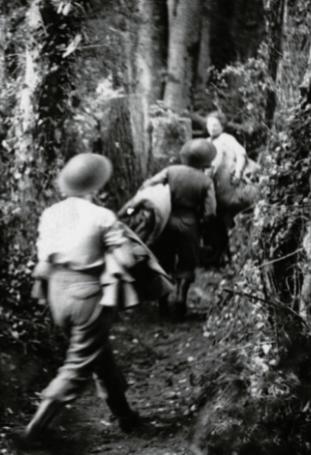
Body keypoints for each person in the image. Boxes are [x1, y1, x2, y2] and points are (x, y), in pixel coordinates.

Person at [15, 154, 141, 449]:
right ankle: (33, 430)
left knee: (98, 354)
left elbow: (44, 256)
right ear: (95, 186)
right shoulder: (102, 216)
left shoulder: (50, 214)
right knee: (77, 365)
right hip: (88, 294)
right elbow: (125, 259)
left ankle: (125, 415)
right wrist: (124, 248)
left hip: (57, 294)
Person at [138, 139, 217, 317]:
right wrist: (202, 223)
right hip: (191, 224)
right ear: (205, 161)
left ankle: (163, 301)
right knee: (187, 261)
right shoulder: (206, 181)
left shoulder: (170, 171)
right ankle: (181, 297)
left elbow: (147, 185)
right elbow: (210, 211)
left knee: (164, 260)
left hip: (166, 220)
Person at [203, 112, 259, 265]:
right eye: (209, 125)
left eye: (215, 125)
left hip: (233, 184)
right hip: (216, 189)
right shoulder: (206, 142)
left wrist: (238, 173)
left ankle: (239, 254)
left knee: (235, 217)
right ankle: (222, 255)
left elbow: (241, 154)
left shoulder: (227, 139)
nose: (212, 128)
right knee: (217, 221)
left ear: (221, 126)